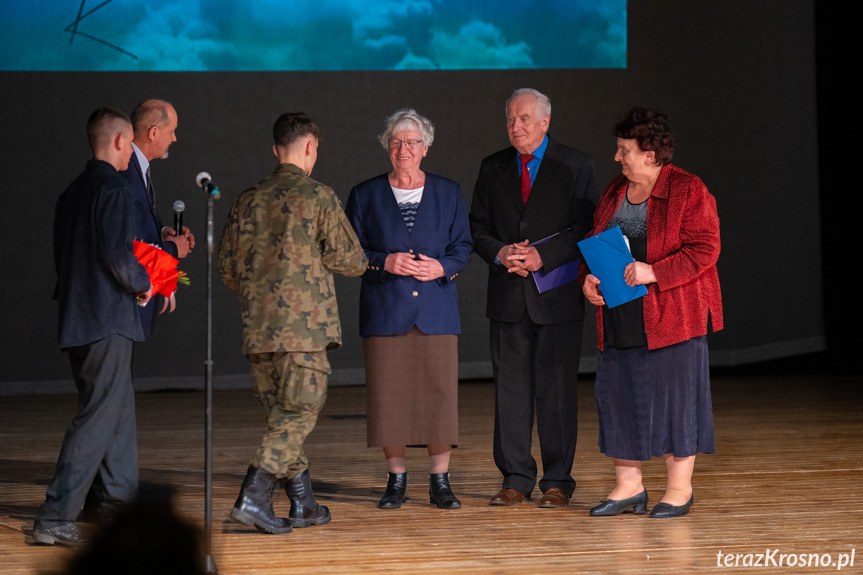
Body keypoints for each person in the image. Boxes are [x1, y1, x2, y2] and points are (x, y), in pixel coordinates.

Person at [218, 112, 368, 533]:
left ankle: (303, 503)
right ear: (310, 148)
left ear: (274, 150)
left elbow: (227, 268)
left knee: (283, 419)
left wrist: (263, 298)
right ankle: (252, 497)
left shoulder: (246, 200)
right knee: (298, 416)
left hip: (259, 332)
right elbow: (351, 259)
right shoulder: (318, 196)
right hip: (304, 332)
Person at [581, 107, 722, 518]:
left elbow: (705, 249)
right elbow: (594, 245)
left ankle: (679, 489)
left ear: (650, 154)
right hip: (621, 315)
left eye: (624, 149)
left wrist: (653, 272)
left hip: (673, 317)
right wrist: (588, 280)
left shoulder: (688, 189)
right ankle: (629, 487)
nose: (617, 157)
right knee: (618, 397)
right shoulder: (613, 192)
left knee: (676, 402)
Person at [469, 88, 597, 508]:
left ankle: (558, 480)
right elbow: (478, 226)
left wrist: (544, 255)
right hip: (508, 295)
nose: (515, 127)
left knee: (557, 392)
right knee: (510, 391)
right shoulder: (492, 167)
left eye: (524, 119)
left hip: (556, 296)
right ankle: (515, 478)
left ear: (545, 122)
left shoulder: (575, 164)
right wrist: (501, 252)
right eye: (510, 119)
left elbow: (585, 227)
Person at [32, 108, 153, 546]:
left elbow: (64, 257)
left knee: (114, 413)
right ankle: (54, 515)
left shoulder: (71, 192)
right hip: (107, 318)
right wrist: (144, 284)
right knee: (98, 418)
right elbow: (119, 257)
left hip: (79, 317)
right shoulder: (115, 189)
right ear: (121, 141)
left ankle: (116, 508)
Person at [346, 109, 472, 510]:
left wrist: (442, 267)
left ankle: (440, 481)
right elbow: (351, 252)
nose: (404, 149)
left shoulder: (449, 192)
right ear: (388, 147)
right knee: (389, 398)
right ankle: (396, 480)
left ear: (426, 148)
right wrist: (384, 262)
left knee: (439, 397)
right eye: (397, 142)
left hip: (435, 311)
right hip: (386, 311)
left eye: (412, 142)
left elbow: (463, 248)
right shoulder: (365, 194)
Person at [121, 99, 194, 338]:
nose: (175, 138)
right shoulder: (125, 172)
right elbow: (126, 243)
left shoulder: (138, 166)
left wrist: (160, 232)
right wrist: (172, 249)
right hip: (122, 307)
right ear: (154, 133)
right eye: (171, 131)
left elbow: (134, 223)